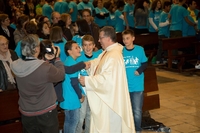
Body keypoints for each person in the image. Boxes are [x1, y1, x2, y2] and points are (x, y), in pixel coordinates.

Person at [79, 26, 135, 132]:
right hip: (108, 98)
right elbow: (99, 62)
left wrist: (87, 81)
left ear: (108, 38)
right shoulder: (108, 52)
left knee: (110, 126)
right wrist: (90, 64)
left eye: (100, 38)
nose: (99, 40)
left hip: (111, 101)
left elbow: (108, 79)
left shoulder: (114, 55)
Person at [10, 34, 65, 133]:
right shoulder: (45, 67)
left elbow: (33, 70)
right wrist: (56, 58)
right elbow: (61, 75)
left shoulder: (15, 65)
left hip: (26, 112)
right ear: (36, 49)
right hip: (46, 112)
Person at [122, 29, 148, 133]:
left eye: (127, 38)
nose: (125, 41)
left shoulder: (139, 50)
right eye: (123, 39)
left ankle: (137, 130)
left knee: (137, 110)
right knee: (126, 110)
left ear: (133, 38)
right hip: (125, 85)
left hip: (137, 85)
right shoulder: (121, 51)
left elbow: (145, 63)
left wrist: (139, 70)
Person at [76, 35, 102, 133]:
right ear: (82, 46)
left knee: (90, 116)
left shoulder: (98, 57)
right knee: (81, 116)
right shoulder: (79, 58)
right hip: (82, 91)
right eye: (85, 45)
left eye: (90, 45)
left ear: (94, 45)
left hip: (93, 91)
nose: (88, 47)